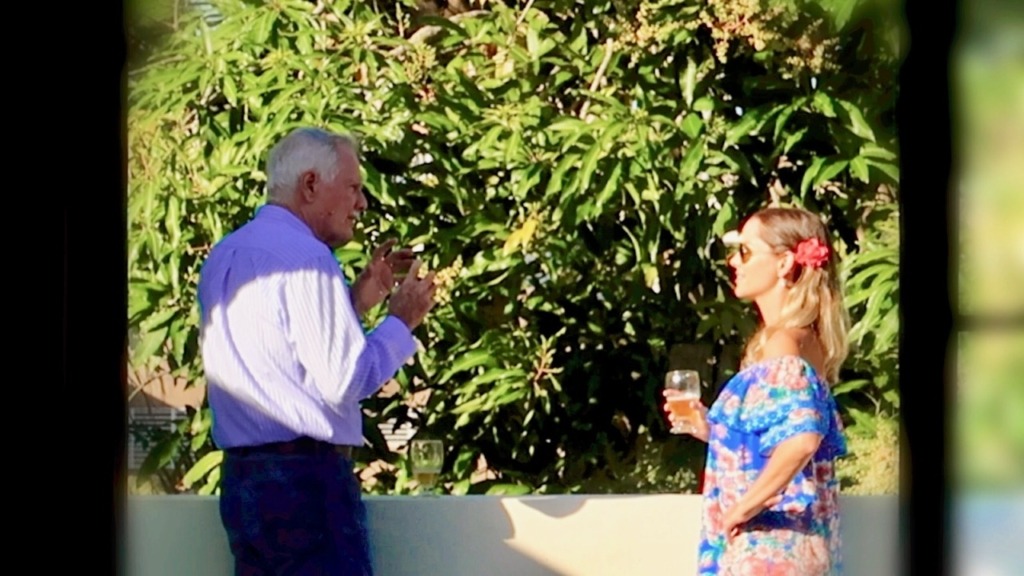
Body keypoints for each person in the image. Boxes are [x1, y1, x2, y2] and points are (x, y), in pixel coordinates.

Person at [197, 127, 437, 575]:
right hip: (306, 484)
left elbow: (280, 354)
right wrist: (400, 322)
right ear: (310, 185)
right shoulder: (306, 257)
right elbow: (345, 381)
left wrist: (355, 302)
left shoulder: (226, 254)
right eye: (352, 187)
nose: (361, 203)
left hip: (243, 483)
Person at [663, 206, 850, 575]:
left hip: (769, 547)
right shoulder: (805, 341)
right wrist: (711, 430)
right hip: (797, 546)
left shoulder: (783, 343)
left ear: (783, 264)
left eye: (745, 251)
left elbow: (801, 440)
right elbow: (777, 439)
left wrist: (743, 508)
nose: (734, 262)